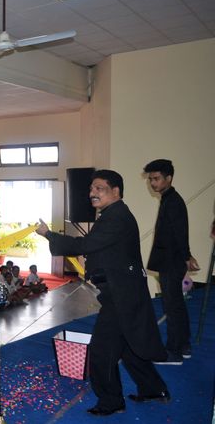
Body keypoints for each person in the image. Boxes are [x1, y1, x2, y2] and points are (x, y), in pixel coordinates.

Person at [36, 169, 169, 416]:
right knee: (129, 348)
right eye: (91, 189)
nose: (92, 193)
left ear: (115, 191)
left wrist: (48, 235)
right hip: (122, 293)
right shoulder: (113, 215)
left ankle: (111, 401)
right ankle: (153, 388)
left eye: (99, 188)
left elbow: (84, 245)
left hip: (121, 296)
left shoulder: (117, 217)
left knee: (102, 350)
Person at [144, 159, 200, 364]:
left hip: (171, 261)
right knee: (176, 305)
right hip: (169, 259)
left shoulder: (173, 201)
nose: (152, 183)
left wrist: (186, 256)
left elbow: (179, 233)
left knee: (172, 306)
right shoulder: (168, 199)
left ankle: (174, 352)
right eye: (150, 179)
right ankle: (183, 345)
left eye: (156, 178)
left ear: (169, 178)